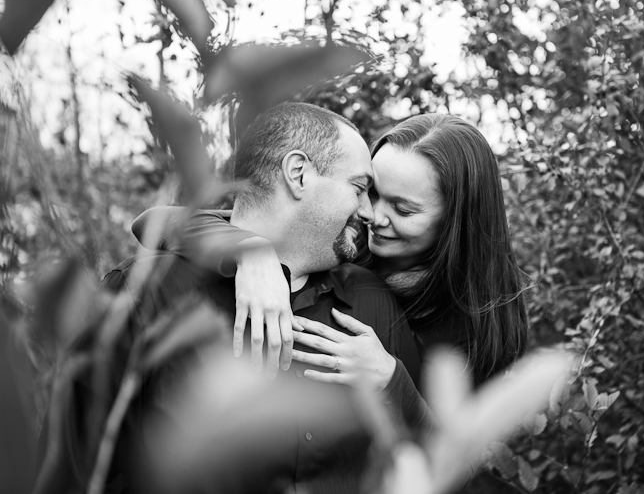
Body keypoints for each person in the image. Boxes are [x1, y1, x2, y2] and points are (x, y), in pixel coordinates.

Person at [35, 103, 422, 494]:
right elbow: (70, 469)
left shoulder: (373, 302)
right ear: (298, 174)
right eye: (358, 188)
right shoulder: (142, 291)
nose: (370, 212)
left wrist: (394, 384)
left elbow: (430, 459)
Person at [135, 113, 529, 388]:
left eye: (403, 209)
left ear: (457, 221)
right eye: (369, 191)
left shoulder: (478, 320)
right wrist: (249, 249)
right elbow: (157, 221)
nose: (372, 215)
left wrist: (392, 380)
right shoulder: (340, 243)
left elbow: (450, 459)